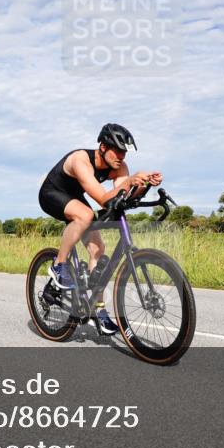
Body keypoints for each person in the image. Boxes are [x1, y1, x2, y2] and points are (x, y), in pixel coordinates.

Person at [38, 123, 162, 335]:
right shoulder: (80, 160)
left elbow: (122, 195)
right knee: (85, 215)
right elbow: (104, 199)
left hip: (74, 197)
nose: (121, 156)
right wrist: (131, 181)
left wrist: (143, 184)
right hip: (51, 194)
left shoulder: (119, 166)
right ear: (103, 147)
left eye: (124, 152)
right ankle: (59, 265)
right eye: (118, 150)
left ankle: (98, 311)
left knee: (98, 249)